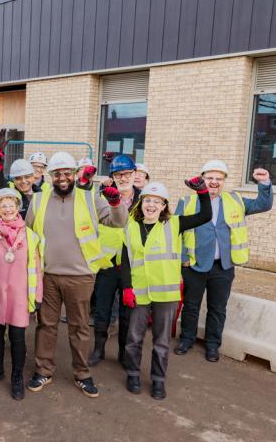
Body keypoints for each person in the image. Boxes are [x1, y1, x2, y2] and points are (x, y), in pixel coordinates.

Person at [25, 151, 128, 398]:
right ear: (50, 176)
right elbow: (28, 234)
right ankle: (44, 370)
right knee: (46, 325)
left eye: (67, 173)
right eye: (57, 174)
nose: (62, 178)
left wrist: (116, 203)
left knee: (79, 327)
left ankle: (82, 374)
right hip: (48, 275)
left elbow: (119, 222)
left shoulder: (91, 198)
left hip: (81, 276)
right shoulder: (38, 201)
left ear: (74, 174)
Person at [120, 179, 212, 399]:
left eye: (157, 202)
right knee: (134, 338)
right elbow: (126, 260)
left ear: (164, 206)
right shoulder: (131, 227)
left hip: (166, 293)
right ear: (141, 203)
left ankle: (158, 380)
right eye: (147, 200)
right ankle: (132, 374)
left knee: (161, 341)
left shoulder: (175, 223)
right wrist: (126, 287)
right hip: (139, 292)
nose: (151, 205)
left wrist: (203, 193)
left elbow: (205, 216)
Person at [175, 161, 273, 362]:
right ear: (202, 179)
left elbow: (263, 204)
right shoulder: (186, 202)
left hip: (223, 266)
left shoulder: (235, 200)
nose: (213, 182)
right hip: (194, 265)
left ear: (224, 182)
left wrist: (264, 183)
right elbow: (175, 231)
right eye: (209, 178)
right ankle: (186, 339)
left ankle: (212, 345)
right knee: (191, 306)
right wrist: (183, 258)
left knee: (217, 309)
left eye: (218, 179)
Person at [0, 188, 43, 400]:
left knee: (18, 338)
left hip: (19, 296)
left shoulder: (30, 236)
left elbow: (37, 269)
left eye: (12, 204)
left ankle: (17, 377)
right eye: (3, 205)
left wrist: (37, 296)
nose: (8, 209)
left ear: (19, 207)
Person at [89, 154, 141, 367]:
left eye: (127, 174)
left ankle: (123, 352)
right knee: (102, 309)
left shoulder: (145, 199)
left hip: (133, 265)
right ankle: (98, 349)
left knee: (128, 312)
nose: (123, 178)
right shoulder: (102, 197)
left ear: (135, 174)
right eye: (118, 175)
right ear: (112, 177)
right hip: (108, 263)